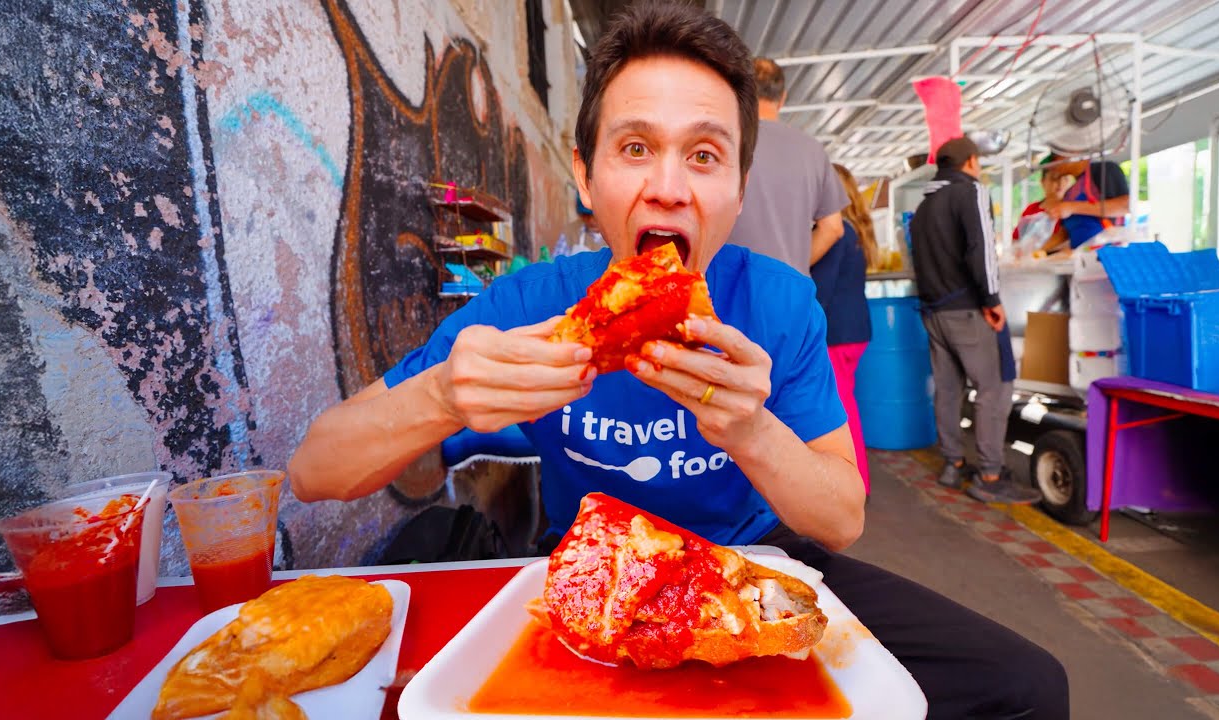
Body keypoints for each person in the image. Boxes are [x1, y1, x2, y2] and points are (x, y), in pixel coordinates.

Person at [289, 5, 1067, 718]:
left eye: (703, 155)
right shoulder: (529, 308)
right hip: (596, 577)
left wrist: (752, 431)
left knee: (1028, 687)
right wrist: (441, 396)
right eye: (634, 149)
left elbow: (841, 519)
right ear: (586, 176)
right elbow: (314, 472)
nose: (667, 188)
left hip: (757, 568)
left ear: (736, 188)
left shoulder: (780, 304)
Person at [909, 136, 1043, 507]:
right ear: (969, 162)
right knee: (995, 387)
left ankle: (952, 463)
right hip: (967, 310)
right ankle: (990, 474)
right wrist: (992, 299)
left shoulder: (923, 208)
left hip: (933, 312)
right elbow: (981, 248)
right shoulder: (970, 191)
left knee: (948, 389)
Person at [726, 57, 847, 275]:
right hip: (792, 294)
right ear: (782, 98)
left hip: (730, 290)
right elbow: (833, 228)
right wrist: (790, 269)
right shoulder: (812, 150)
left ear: (741, 94)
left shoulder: (725, 143)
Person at [809, 163, 878, 494]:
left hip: (837, 333)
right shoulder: (855, 230)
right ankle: (856, 482)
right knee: (847, 404)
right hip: (854, 331)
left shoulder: (837, 234)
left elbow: (821, 288)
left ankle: (854, 485)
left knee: (841, 413)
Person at [1037, 152, 1130, 253]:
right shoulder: (1069, 192)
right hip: (1081, 258)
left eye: (1056, 158)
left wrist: (1071, 207)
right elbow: (1065, 233)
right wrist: (1035, 249)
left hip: (1107, 254)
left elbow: (1125, 206)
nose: (1054, 164)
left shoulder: (1104, 170)